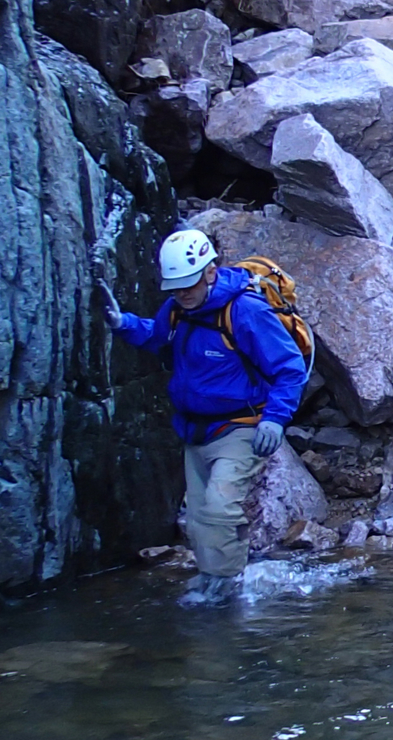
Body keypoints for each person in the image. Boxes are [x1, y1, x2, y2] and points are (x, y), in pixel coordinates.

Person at [102, 228, 307, 600]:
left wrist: (275, 418)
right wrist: (122, 324)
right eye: (175, 287)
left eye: (188, 284)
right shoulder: (179, 309)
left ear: (210, 272)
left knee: (219, 507)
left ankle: (229, 586)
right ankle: (216, 584)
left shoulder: (246, 311)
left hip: (241, 426)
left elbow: (290, 367)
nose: (182, 293)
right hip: (194, 431)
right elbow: (157, 337)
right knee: (197, 521)